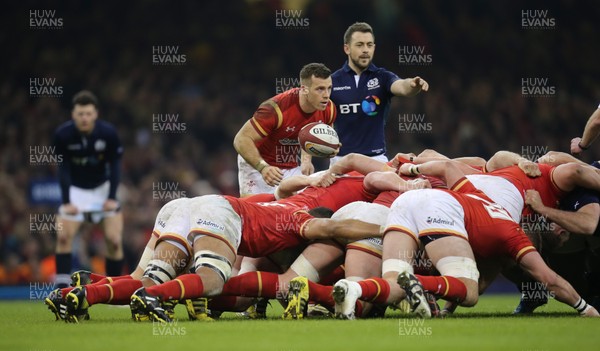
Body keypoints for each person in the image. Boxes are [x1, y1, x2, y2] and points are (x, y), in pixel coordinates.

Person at [330, 22, 429, 164]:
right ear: (347, 48)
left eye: (369, 45)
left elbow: (401, 86)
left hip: (376, 160)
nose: (366, 50)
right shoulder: (332, 81)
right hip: (340, 161)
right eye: (360, 45)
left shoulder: (382, 77)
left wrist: (412, 85)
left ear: (374, 48)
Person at [53, 90, 124, 288]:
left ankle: (115, 288)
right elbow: (63, 168)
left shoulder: (108, 133)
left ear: (96, 114)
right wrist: (67, 202)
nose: (84, 118)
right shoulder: (62, 135)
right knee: (64, 236)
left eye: (88, 114)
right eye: (80, 114)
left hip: (103, 189)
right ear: (73, 115)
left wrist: (111, 197)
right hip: (76, 191)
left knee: (114, 240)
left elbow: (116, 166)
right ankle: (61, 291)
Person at [234, 62, 337, 197]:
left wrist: (306, 159)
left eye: (329, 88)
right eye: (320, 89)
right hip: (259, 164)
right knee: (254, 212)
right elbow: (241, 139)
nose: (326, 95)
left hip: (291, 165)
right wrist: (263, 167)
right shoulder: (275, 109)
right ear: (304, 89)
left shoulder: (328, 108)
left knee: (295, 212)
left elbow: (313, 133)